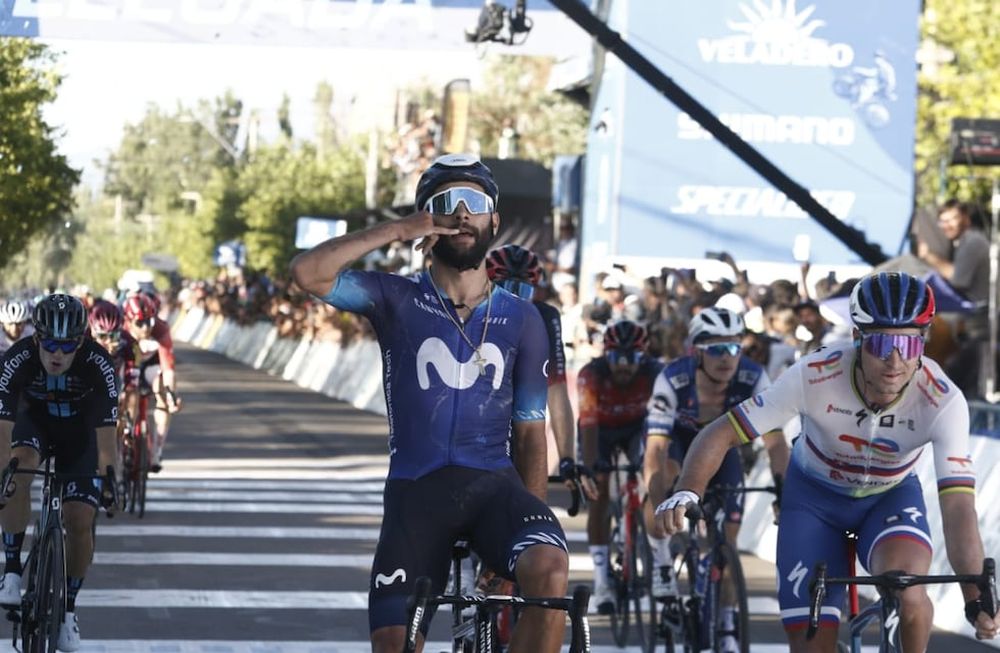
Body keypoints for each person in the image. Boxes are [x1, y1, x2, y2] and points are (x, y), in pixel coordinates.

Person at [289, 153, 570, 653]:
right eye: (446, 204)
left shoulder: (524, 320)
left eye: (475, 203)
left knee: (548, 566)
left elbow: (530, 433)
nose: (462, 213)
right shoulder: (393, 297)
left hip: (495, 490)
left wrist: (525, 538)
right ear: (428, 221)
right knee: (395, 645)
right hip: (417, 494)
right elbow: (309, 272)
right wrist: (396, 230)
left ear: (494, 221)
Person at [655, 272, 999, 651]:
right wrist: (688, 489)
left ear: (924, 343)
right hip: (813, 501)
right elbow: (722, 431)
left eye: (908, 343)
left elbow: (958, 508)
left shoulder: (943, 400)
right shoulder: (814, 376)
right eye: (882, 343)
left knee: (909, 589)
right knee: (810, 641)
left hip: (889, 497)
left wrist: (974, 595)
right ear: (856, 338)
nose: (895, 360)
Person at [643, 307, 788, 652]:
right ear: (697, 351)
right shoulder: (672, 379)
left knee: (728, 541)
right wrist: (658, 500)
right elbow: (655, 451)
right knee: (662, 477)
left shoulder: (754, 378)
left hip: (724, 452)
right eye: (718, 350)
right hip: (677, 444)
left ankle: (725, 621)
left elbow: (776, 442)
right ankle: (662, 560)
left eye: (735, 348)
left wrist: (784, 491)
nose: (728, 359)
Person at [0, 294, 119, 651]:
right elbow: (2, 426)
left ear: (81, 341)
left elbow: (106, 437)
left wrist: (110, 480)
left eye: (68, 345)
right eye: (49, 343)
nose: (58, 354)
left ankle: (68, 611)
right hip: (33, 424)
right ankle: (11, 571)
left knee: (80, 518)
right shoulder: (16, 358)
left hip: (80, 434)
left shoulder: (100, 363)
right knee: (16, 469)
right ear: (36, 338)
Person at [486, 244, 597, 499]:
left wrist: (567, 458)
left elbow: (556, 392)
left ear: (536, 291)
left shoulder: (545, 316)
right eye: (504, 288)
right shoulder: (469, 308)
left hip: (522, 419)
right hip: (478, 420)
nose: (512, 298)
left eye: (522, 290)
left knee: (534, 512)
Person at [576, 320, 663, 611]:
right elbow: (587, 424)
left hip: (637, 428)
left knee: (652, 475)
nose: (624, 367)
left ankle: (637, 528)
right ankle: (602, 582)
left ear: (644, 357)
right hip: (599, 429)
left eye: (632, 359)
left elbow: (662, 429)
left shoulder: (656, 373)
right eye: (616, 359)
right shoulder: (591, 375)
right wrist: (590, 470)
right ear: (606, 356)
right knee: (598, 493)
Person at [917, 199, 991, 396]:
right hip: (967, 319)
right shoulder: (962, 242)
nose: (947, 225)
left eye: (953, 219)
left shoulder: (974, 241)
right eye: (943, 221)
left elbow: (959, 279)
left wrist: (929, 256)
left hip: (975, 319)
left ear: (965, 218)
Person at [122, 293, 182, 472]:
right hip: (127, 364)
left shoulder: (161, 329)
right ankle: (123, 441)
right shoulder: (121, 331)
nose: (147, 327)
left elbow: (168, 368)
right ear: (128, 321)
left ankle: (157, 449)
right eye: (140, 323)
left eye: (150, 321)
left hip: (150, 366)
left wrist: (170, 394)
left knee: (161, 386)